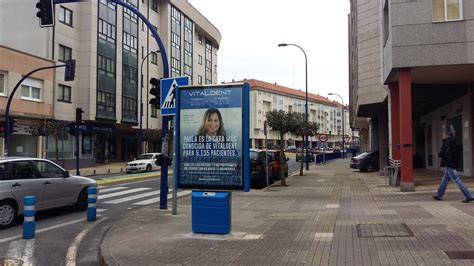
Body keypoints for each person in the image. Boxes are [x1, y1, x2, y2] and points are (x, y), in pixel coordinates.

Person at [433, 130, 473, 203]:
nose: (443, 136)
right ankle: (439, 195)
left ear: (447, 135)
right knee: (444, 180)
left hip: (449, 163)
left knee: (457, 180)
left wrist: (440, 154)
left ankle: (468, 195)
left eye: (443, 134)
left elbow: (444, 152)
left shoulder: (448, 141)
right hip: (454, 163)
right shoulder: (457, 141)